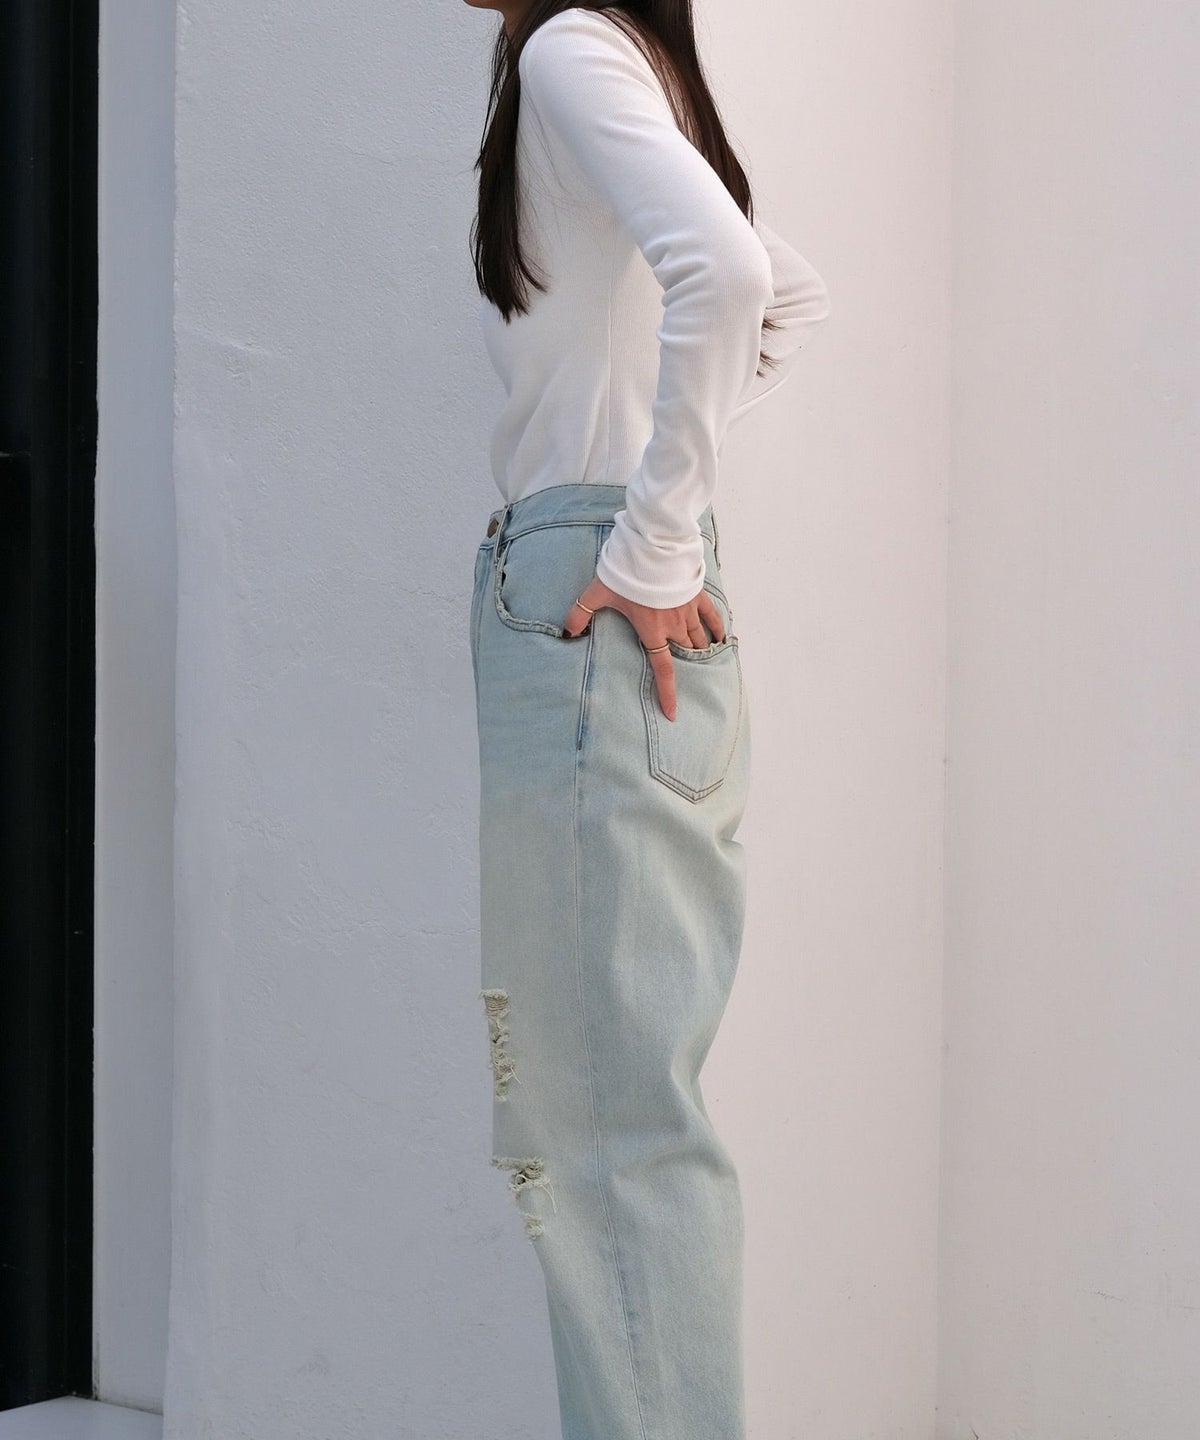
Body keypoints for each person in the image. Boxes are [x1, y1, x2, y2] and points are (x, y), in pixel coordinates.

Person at [464, 3, 830, 1435]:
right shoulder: (603, 50)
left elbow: (733, 280)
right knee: (620, 1116)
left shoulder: (568, 45)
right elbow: (781, 293)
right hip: (613, 592)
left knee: (598, 1127)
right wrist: (657, 508)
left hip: (591, 600)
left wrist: (651, 539)